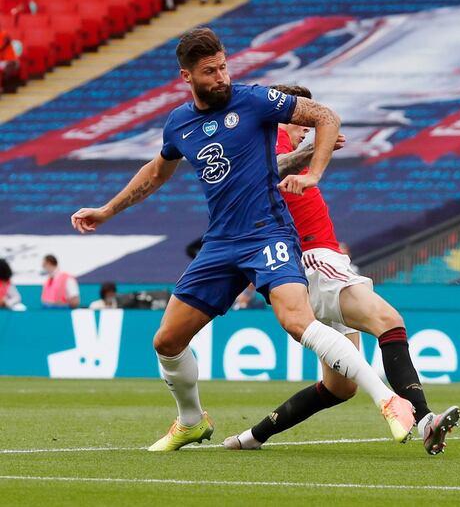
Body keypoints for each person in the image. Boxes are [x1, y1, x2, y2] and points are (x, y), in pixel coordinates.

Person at [70, 27, 414, 451]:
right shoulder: (180, 123)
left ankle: (388, 400)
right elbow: (157, 173)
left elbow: (325, 116)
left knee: (296, 322)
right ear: (186, 76)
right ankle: (191, 420)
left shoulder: (253, 100)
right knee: (167, 340)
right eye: (210, 71)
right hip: (220, 244)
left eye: (223, 66)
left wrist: (314, 173)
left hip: (267, 234)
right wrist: (107, 210)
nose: (221, 77)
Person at [223, 85, 460, 456]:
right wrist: (309, 152)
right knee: (389, 320)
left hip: (324, 260)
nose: (306, 128)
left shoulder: (286, 152)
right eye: (301, 120)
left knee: (339, 387)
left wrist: (309, 153)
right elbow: (268, 174)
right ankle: (426, 417)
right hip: (312, 260)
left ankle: (251, 437)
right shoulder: (267, 149)